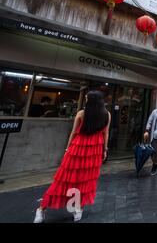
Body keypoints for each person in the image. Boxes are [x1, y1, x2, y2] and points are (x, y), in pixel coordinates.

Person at [34, 91, 111, 223]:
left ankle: (45, 209)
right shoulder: (107, 114)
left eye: (86, 98)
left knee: (68, 179)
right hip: (94, 148)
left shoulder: (81, 113)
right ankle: (75, 208)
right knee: (83, 180)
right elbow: (106, 134)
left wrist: (67, 148)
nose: (85, 100)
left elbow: (74, 133)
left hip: (79, 147)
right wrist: (105, 150)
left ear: (90, 100)